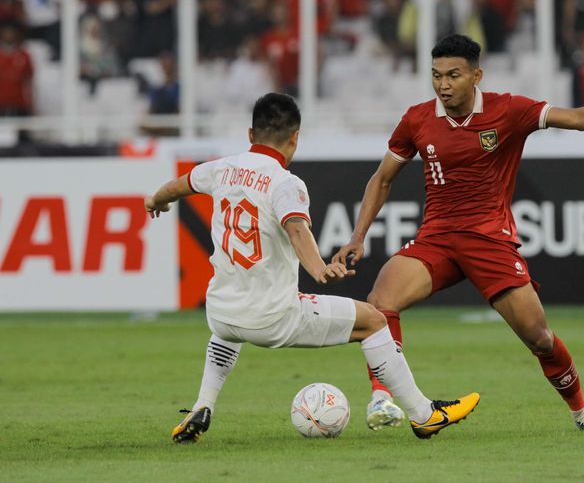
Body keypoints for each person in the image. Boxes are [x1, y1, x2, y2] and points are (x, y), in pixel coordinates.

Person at [333, 34, 584, 432]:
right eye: (436, 76)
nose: (443, 85)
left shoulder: (508, 111)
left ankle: (582, 411)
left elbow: (575, 119)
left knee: (539, 337)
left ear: (476, 75)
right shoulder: (417, 119)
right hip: (437, 238)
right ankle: (384, 399)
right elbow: (382, 179)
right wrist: (357, 235)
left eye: (453, 75)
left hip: (489, 240)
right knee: (380, 301)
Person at [144, 93, 480, 443]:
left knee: (227, 331)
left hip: (220, 312)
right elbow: (296, 229)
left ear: (249, 134)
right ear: (295, 138)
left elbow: (179, 186)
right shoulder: (285, 183)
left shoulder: (220, 167)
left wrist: (156, 200)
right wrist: (319, 269)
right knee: (375, 322)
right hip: (274, 319)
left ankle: (202, 406)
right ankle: (424, 415)